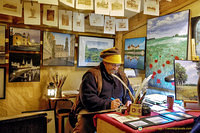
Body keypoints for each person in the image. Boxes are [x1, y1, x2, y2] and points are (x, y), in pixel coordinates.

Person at [69, 47, 134, 133]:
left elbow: (129, 93)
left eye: (118, 65)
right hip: (92, 112)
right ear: (105, 63)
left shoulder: (122, 76)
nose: (116, 68)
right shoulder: (92, 75)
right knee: (83, 127)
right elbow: (88, 99)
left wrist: (128, 101)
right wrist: (108, 104)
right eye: (113, 65)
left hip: (117, 113)